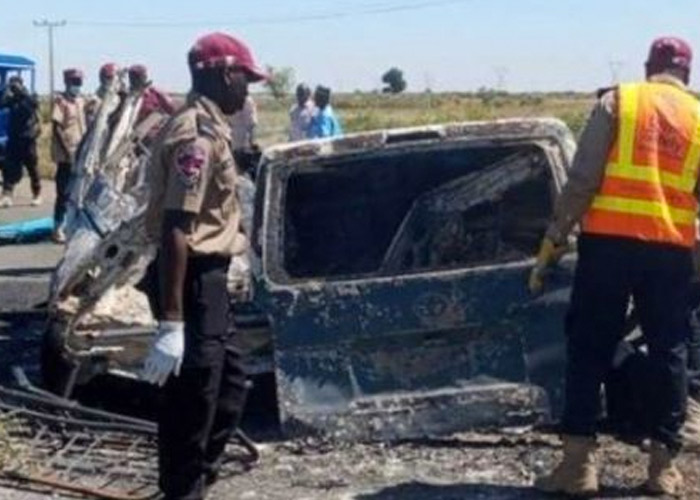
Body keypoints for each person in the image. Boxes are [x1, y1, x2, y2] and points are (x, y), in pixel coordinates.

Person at [529, 36, 698, 497]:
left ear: (649, 67)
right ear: (686, 72)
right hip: (670, 251)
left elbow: (582, 179)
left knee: (589, 347)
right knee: (671, 353)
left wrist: (553, 240)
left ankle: (578, 468)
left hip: (608, 246)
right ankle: (662, 469)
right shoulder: (699, 117)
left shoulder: (618, 102)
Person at [141, 32, 267, 500]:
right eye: (245, 79)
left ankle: (194, 481)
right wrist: (170, 324)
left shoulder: (212, 128)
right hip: (190, 279)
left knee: (229, 388)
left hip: (208, 281)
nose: (247, 90)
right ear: (222, 73)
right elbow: (176, 227)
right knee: (191, 406)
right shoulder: (195, 136)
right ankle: (183, 490)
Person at [51, 68, 87, 243]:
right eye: (74, 82)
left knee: (79, 193)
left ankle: (72, 226)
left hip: (81, 153)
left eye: (79, 82)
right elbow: (56, 127)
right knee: (63, 193)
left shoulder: (81, 101)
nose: (77, 85)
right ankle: (57, 227)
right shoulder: (61, 102)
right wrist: (67, 152)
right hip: (66, 156)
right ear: (67, 82)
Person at [0, 76, 41, 208]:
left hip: (28, 139)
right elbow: (2, 104)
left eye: (16, 85)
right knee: (9, 167)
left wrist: (22, 93)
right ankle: (7, 195)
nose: (14, 87)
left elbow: (33, 106)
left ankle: (37, 194)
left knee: (32, 168)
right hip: (14, 139)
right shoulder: (12, 99)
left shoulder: (29, 97)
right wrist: (6, 93)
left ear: (22, 85)